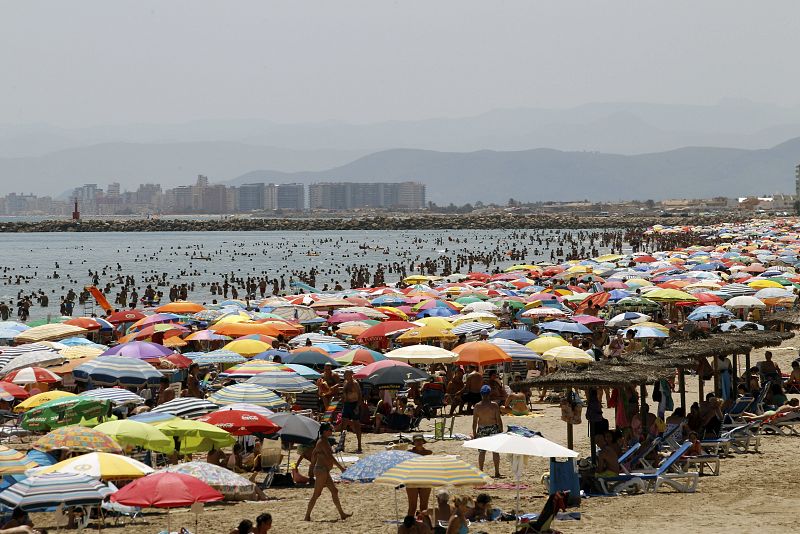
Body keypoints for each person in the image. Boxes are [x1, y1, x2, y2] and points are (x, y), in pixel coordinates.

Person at [304, 423, 352, 522]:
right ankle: (307, 516)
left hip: (323, 470)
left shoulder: (324, 441)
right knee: (316, 494)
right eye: (330, 429)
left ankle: (342, 514)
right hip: (321, 470)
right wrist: (341, 468)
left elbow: (314, 455)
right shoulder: (322, 442)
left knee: (334, 491)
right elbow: (329, 457)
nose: (331, 431)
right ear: (325, 431)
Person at [472, 385, 502, 477]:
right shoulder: (494, 405)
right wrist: (501, 430)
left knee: (482, 452)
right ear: (489, 394)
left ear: (481, 394)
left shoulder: (477, 406)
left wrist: (474, 433)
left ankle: (481, 470)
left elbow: (474, 422)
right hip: (493, 428)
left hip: (482, 428)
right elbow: (499, 420)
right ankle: (496, 471)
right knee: (495, 451)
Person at [406, 434, 433, 517]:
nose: (419, 442)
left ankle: (423, 526)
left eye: (420, 440)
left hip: (425, 480)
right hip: (412, 480)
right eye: (417, 441)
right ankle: (409, 526)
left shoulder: (428, 453)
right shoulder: (408, 453)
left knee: (424, 507)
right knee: (412, 506)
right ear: (413, 442)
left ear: (423, 441)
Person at [339, 369, 363, 453]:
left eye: (346, 374)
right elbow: (344, 394)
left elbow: (360, 395)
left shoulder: (355, 383)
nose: (345, 376)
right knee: (343, 425)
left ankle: (359, 445)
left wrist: (357, 407)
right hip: (347, 404)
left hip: (354, 404)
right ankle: (341, 445)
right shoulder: (345, 383)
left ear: (350, 375)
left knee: (357, 425)